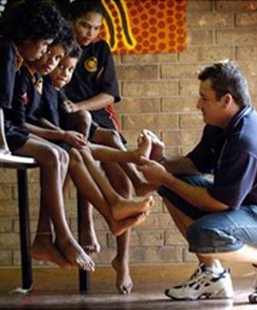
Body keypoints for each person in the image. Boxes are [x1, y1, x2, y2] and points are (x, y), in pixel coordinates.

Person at [0, 1, 95, 272]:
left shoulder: (7, 49)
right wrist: (2, 146)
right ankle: (62, 237)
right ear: (28, 36)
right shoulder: (4, 50)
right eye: (44, 44)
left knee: (59, 154)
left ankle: (46, 237)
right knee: (51, 155)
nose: (45, 51)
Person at [136, 61, 257, 304]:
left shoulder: (246, 141)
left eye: (204, 99)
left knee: (203, 231)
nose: (198, 105)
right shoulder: (219, 126)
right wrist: (161, 160)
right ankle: (213, 276)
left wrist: (164, 177)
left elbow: (217, 203)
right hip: (248, 209)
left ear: (226, 100)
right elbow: (193, 164)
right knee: (172, 187)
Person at [27, 37, 154, 293]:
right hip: (58, 137)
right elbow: (31, 120)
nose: (63, 71)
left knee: (92, 145)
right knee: (76, 151)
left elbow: (108, 97)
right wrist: (64, 134)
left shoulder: (59, 85)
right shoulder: (41, 84)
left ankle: (126, 193)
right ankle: (111, 203)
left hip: (83, 126)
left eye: (69, 68)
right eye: (58, 63)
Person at [60, 2, 155, 292]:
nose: (90, 33)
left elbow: (110, 95)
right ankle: (87, 222)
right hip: (69, 118)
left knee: (121, 182)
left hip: (97, 116)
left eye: (96, 28)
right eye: (85, 25)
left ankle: (122, 260)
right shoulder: (58, 47)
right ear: (70, 20)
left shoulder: (100, 50)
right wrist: (75, 109)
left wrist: (81, 105)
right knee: (86, 157)